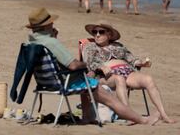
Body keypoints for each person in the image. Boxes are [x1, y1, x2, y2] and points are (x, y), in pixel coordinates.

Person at [21, 7, 160, 125]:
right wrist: (85, 64)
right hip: (63, 82)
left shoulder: (30, 43)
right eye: (51, 22)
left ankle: (87, 116)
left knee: (84, 79)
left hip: (45, 82)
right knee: (107, 97)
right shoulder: (51, 43)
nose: (53, 24)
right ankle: (142, 120)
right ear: (46, 26)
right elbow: (74, 65)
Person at [83, 23, 175, 124]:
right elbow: (89, 63)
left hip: (127, 72)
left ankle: (163, 115)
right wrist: (101, 66)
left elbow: (131, 59)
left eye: (101, 32)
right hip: (105, 76)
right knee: (119, 79)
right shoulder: (90, 47)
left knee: (148, 79)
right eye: (95, 32)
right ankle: (129, 116)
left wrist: (141, 63)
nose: (97, 35)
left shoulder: (118, 46)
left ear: (109, 34)